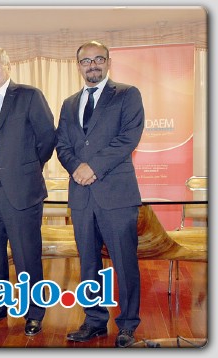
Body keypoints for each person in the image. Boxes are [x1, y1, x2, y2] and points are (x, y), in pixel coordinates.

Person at [55, 40, 144, 348]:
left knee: (124, 262)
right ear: (78, 65)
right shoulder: (69, 103)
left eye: (97, 59)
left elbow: (128, 139)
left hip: (116, 196)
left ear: (108, 62)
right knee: (88, 263)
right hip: (81, 197)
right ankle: (94, 320)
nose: (92, 65)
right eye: (85, 61)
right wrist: (76, 168)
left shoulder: (127, 95)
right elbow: (62, 145)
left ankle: (128, 324)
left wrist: (91, 167)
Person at [0, 47, 56, 336]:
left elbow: (46, 139)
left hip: (21, 191)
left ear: (8, 67)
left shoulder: (29, 95)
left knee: (26, 255)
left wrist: (27, 169)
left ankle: (34, 312)